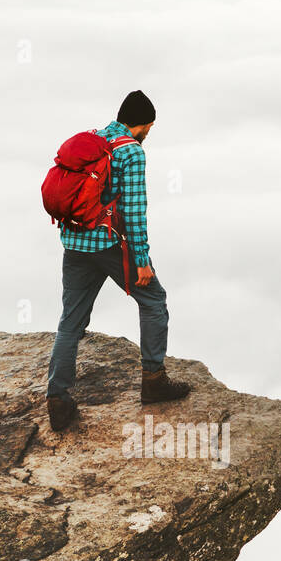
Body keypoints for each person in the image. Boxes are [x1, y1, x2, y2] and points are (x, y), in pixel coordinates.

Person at [46, 90, 190, 432]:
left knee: (70, 321)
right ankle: (153, 381)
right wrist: (142, 260)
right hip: (109, 244)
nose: (149, 133)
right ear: (144, 124)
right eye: (150, 127)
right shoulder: (131, 151)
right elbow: (134, 212)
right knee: (153, 300)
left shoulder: (95, 139)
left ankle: (58, 400)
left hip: (74, 241)